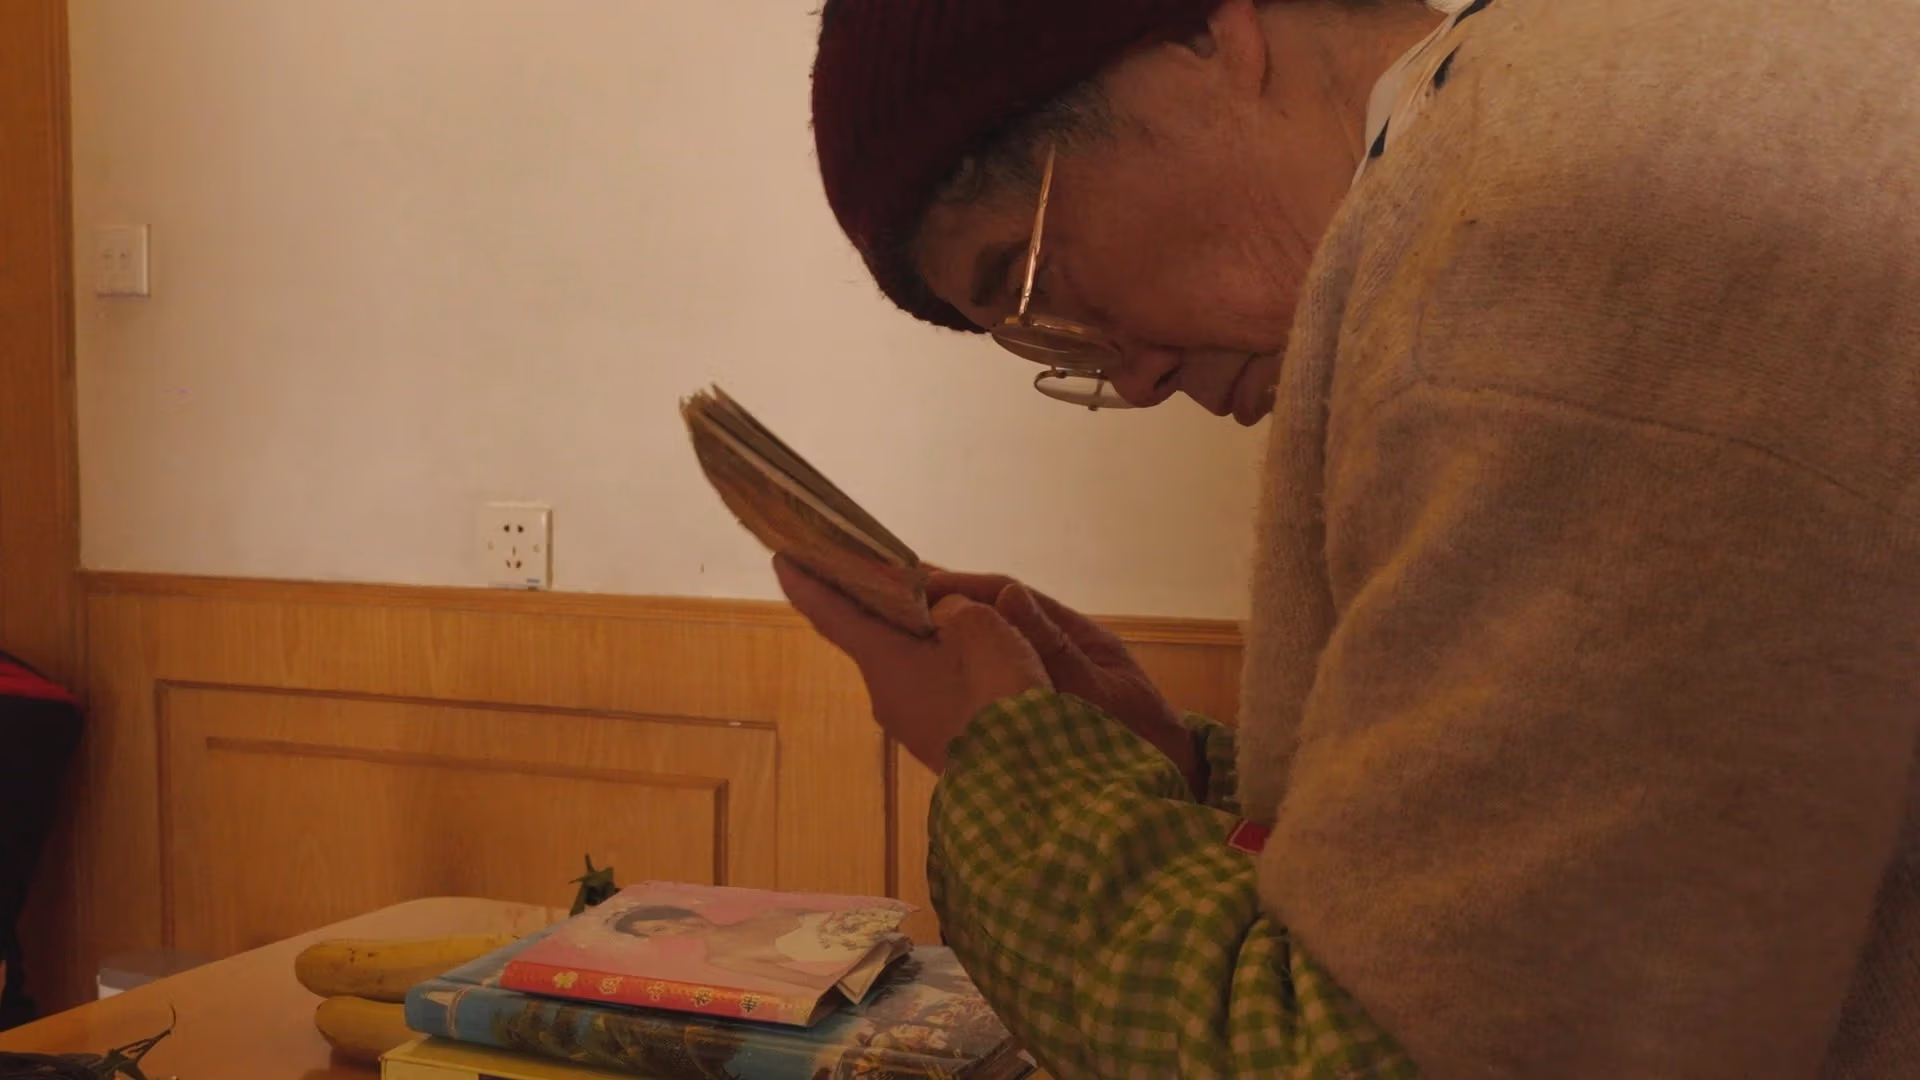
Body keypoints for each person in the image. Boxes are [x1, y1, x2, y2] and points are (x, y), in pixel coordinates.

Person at [785, 0, 1920, 1075]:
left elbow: (1395, 1055)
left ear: (1203, 31)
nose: (1126, 377)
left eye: (1028, 277)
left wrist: (1017, 773)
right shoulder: (1625, 89)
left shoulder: (1546, 235)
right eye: (1043, 341)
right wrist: (1176, 780)